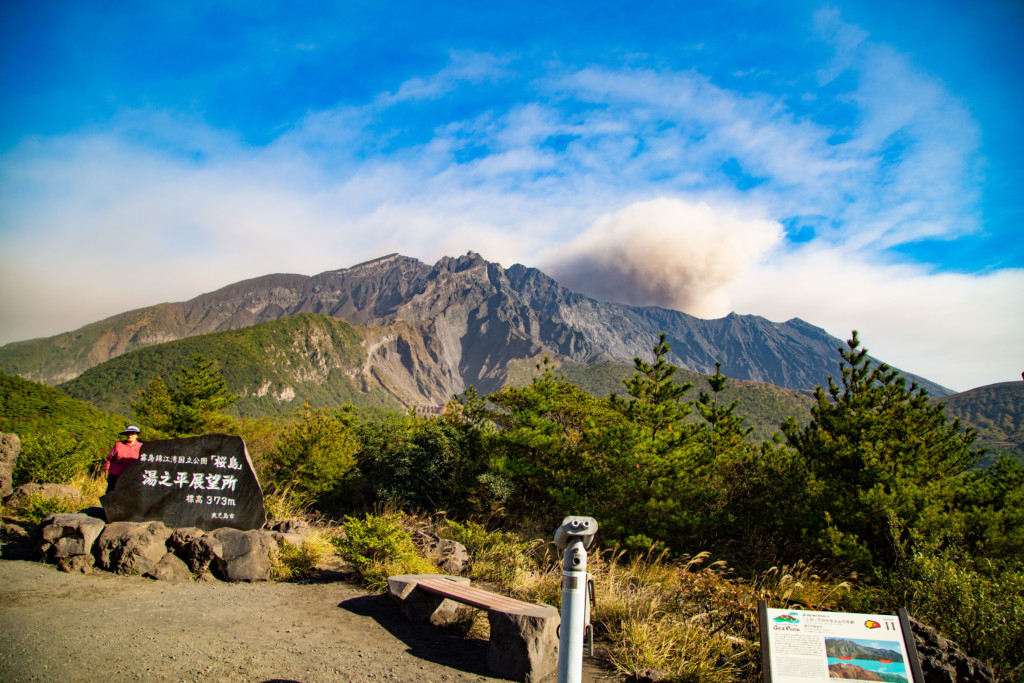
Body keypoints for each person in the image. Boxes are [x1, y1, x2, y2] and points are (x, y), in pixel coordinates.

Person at [104, 425, 143, 495]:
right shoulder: (119, 445)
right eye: (128, 433)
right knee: (110, 494)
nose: (130, 436)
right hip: (116, 474)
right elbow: (109, 458)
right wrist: (106, 470)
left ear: (137, 435)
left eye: (132, 434)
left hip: (132, 475)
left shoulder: (141, 446)